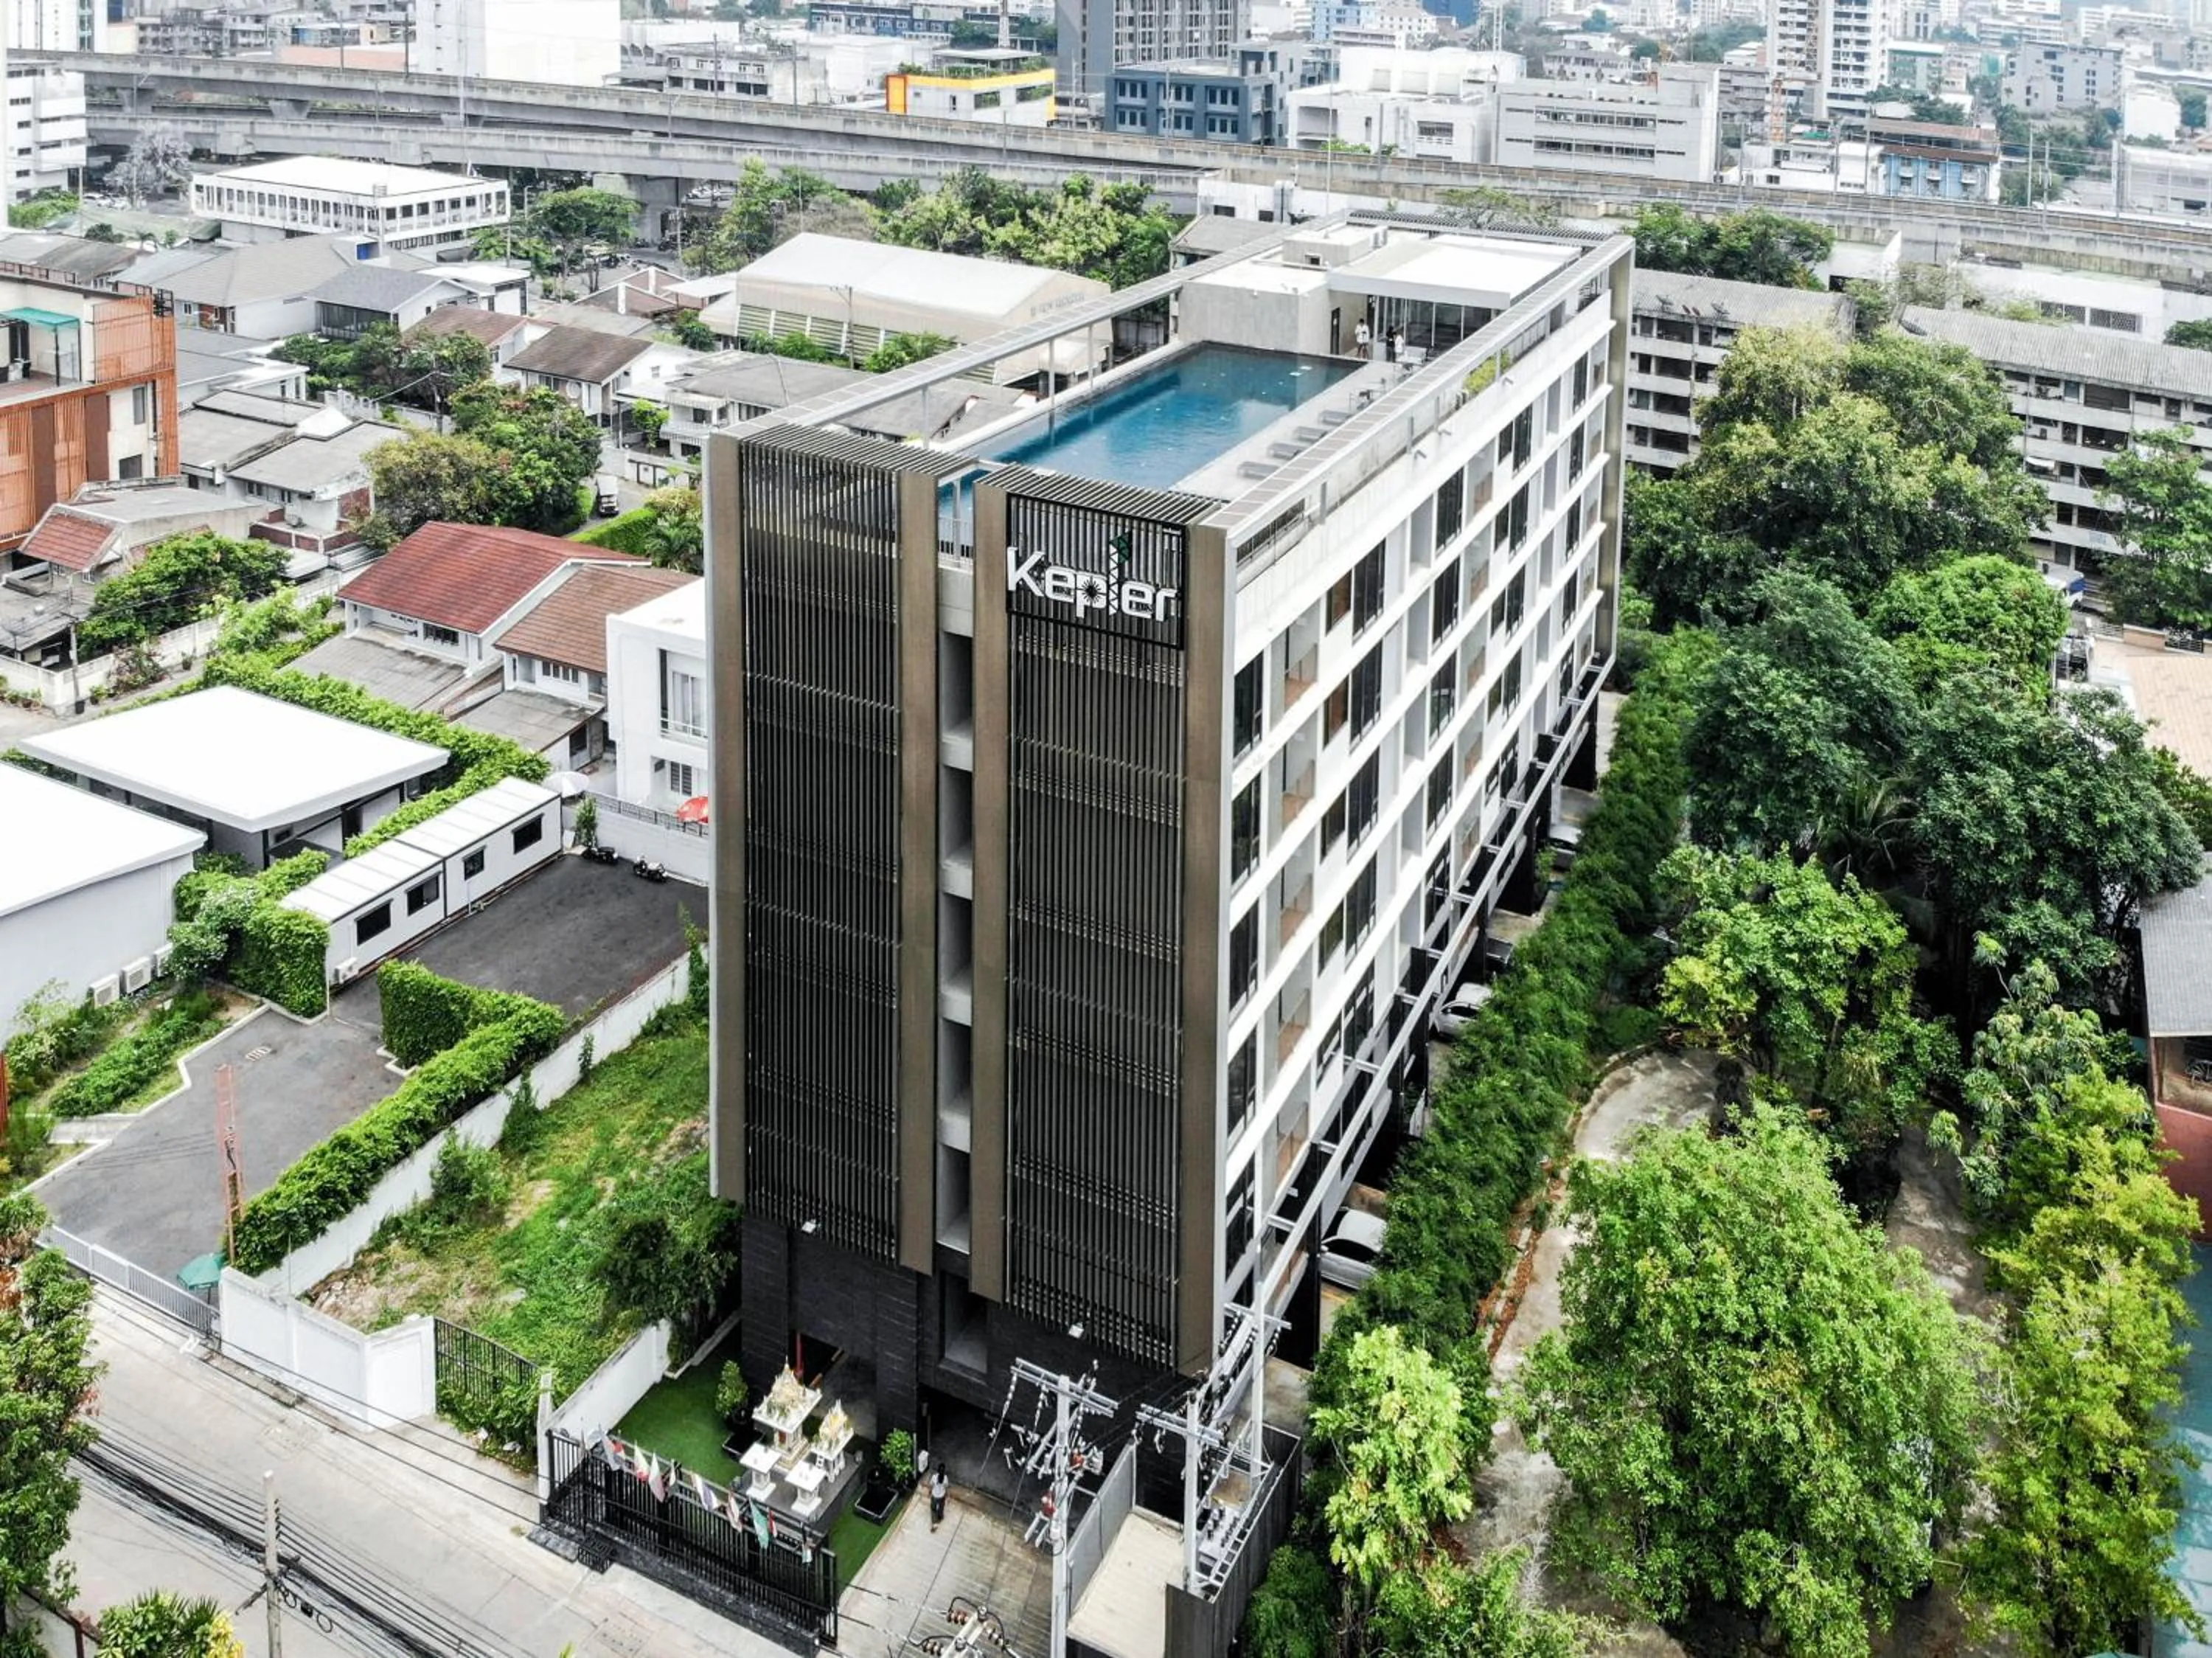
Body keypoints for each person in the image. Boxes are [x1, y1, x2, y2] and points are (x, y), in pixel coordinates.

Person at [929, 1466, 949, 1530]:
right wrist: (947, 1494)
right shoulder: (945, 1478)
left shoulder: (934, 1477)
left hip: (935, 1496)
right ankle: (940, 1517)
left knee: (933, 1509)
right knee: (941, 1507)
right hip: (942, 1496)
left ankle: (935, 1524)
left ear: (938, 1470)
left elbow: (931, 1485)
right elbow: (946, 1487)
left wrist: (930, 1492)